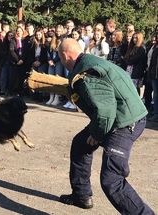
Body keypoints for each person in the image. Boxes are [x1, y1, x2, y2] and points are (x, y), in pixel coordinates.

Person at [57, 38, 155, 214]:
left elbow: (105, 110)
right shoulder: (94, 63)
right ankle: (81, 195)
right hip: (123, 116)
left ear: (65, 55)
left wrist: (97, 133)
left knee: (112, 179)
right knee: (80, 144)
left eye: (60, 58)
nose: (61, 62)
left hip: (123, 123)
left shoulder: (85, 73)